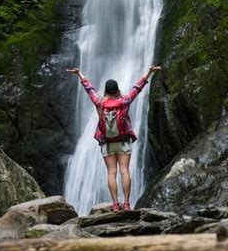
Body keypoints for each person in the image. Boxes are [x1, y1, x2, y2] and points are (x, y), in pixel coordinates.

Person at [66, 65, 162, 212]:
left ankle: (116, 204)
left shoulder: (100, 103)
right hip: (123, 141)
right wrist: (149, 72)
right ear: (117, 90)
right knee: (125, 170)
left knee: (111, 172)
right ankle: (127, 204)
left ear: (105, 91)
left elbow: (89, 89)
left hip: (107, 143)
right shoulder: (125, 101)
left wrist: (79, 74)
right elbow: (138, 87)